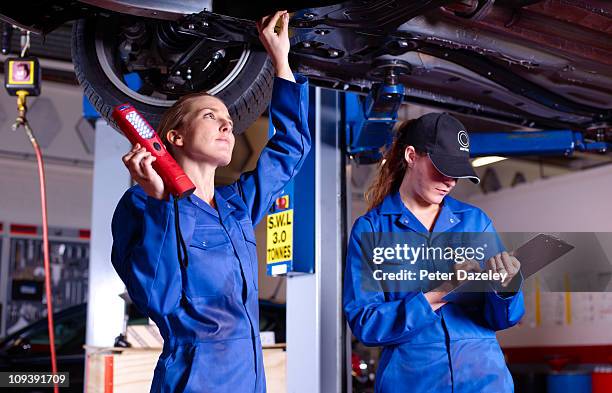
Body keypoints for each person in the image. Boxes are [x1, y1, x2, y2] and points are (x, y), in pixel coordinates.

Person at [111, 11, 309, 393]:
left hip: (250, 380)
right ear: (176, 137)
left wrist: (281, 60)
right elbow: (159, 299)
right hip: (195, 382)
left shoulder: (236, 208)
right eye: (210, 116)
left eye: (228, 121)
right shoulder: (142, 205)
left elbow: (291, 150)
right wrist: (158, 204)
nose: (227, 126)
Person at [344, 113, 525, 393]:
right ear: (411, 156)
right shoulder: (372, 230)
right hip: (413, 382)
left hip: (484, 380)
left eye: (457, 173)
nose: (450, 181)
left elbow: (503, 318)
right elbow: (365, 323)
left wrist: (506, 289)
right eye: (442, 169)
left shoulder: (475, 222)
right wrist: (439, 294)